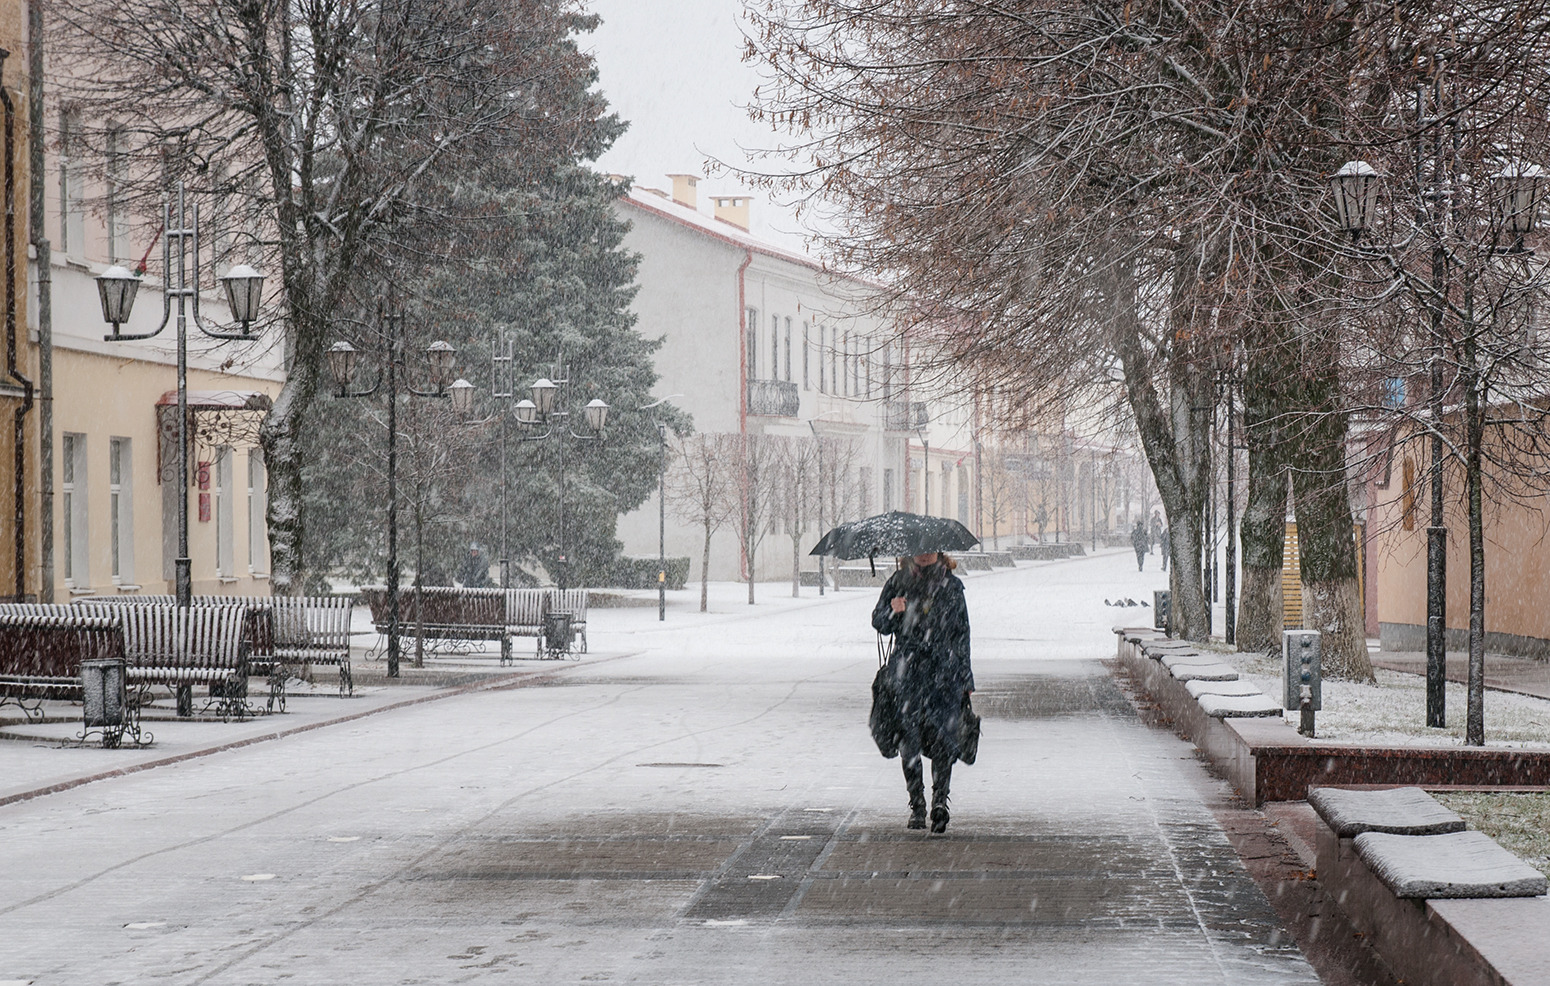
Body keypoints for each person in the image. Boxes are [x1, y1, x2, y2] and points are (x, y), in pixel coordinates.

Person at [871, 552, 974, 834]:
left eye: (930, 548)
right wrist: (894, 609)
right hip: (908, 673)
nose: (925, 553)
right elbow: (879, 622)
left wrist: (965, 678)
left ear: (939, 552)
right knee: (909, 738)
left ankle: (940, 802)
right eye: (920, 548)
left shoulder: (952, 587)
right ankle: (917, 804)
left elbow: (962, 633)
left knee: (943, 738)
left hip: (944, 673)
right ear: (910, 552)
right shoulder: (898, 582)